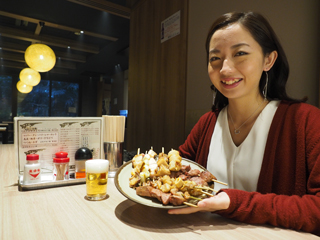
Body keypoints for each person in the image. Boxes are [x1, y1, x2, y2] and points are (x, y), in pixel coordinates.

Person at [168, 11, 320, 235]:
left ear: (268, 60)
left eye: (240, 53)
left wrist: (235, 203)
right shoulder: (207, 124)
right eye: (215, 58)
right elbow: (174, 172)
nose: (226, 69)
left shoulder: (306, 121)